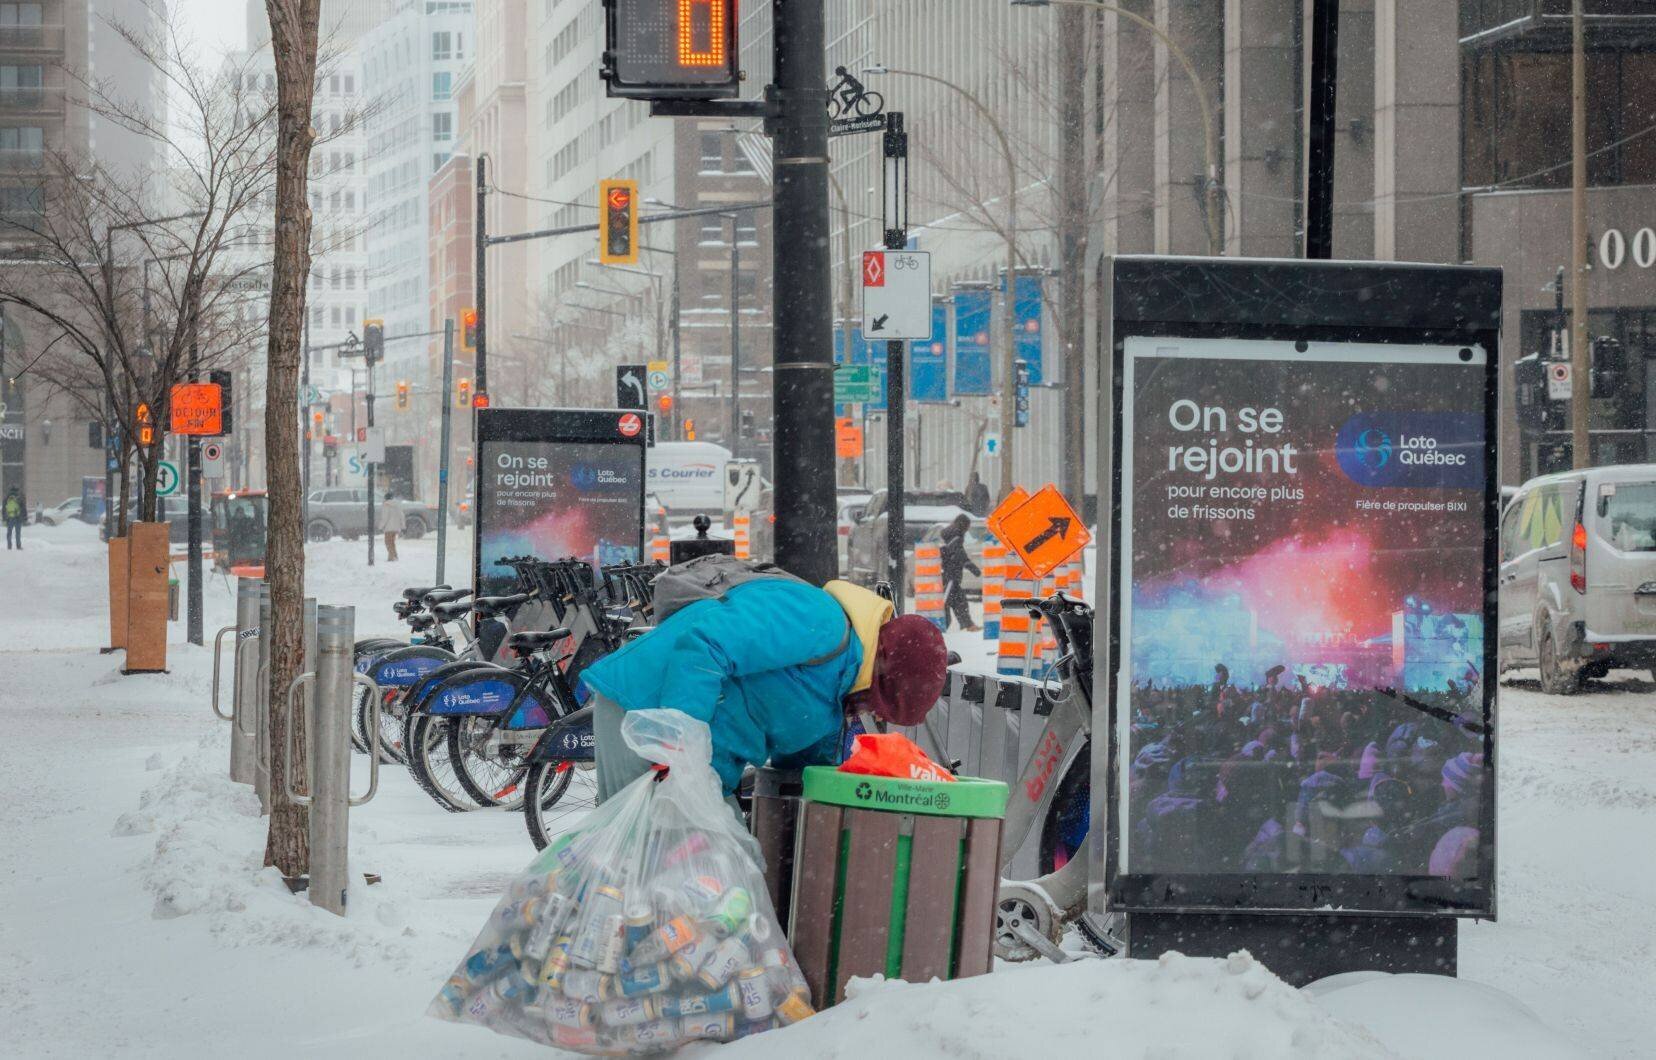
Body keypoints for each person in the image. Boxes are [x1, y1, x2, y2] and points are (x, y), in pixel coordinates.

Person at [582, 572, 949, 803]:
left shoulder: (831, 707)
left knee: (709, 887)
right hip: (642, 713)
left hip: (701, 771)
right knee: (633, 869)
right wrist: (677, 741)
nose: (869, 713)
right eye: (877, 705)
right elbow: (707, 643)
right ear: (879, 678)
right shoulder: (819, 619)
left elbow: (805, 774)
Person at [939, 513, 981, 632]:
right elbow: (959, 554)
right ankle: (942, 626)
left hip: (950, 575)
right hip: (951, 575)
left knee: (957, 601)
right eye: (968, 527)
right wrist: (972, 567)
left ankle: (967, 625)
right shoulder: (955, 536)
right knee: (950, 602)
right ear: (964, 525)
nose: (968, 530)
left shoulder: (951, 534)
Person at [378, 490, 404, 561]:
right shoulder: (397, 505)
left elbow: (384, 517)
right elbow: (401, 516)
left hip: (389, 528)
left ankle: (391, 557)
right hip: (396, 528)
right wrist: (402, 526)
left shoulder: (386, 505)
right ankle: (395, 556)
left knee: (388, 543)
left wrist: (381, 526)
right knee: (392, 543)